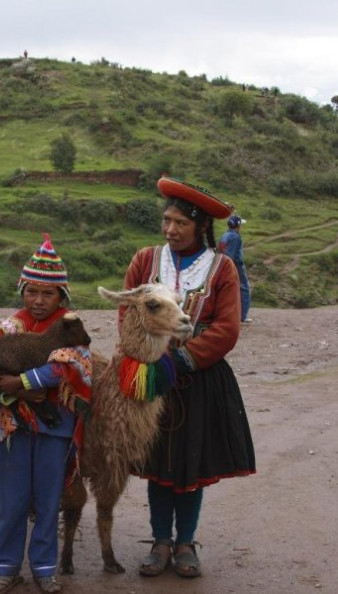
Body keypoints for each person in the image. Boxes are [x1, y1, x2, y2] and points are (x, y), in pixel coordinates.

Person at [122, 176, 255, 579]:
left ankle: (185, 543)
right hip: (150, 378)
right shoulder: (145, 261)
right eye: (167, 220)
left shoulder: (221, 269)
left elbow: (227, 328)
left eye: (180, 223)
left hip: (197, 381)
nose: (170, 230)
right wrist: (147, 359)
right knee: (158, 462)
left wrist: (182, 361)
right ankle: (160, 540)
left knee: (190, 465)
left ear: (201, 226)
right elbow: (128, 313)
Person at [0, 234, 92, 594]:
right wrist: (11, 391)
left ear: (62, 296)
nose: (39, 300)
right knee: (11, 500)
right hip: (14, 425)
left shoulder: (70, 326)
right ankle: (6, 566)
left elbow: (76, 367)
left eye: (48, 293)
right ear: (22, 291)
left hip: (56, 428)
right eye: (32, 292)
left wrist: (25, 380)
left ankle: (45, 568)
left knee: (48, 499)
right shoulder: (10, 327)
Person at [218, 215, 252, 323]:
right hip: (236, 265)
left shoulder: (225, 235)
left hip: (223, 263)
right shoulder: (235, 237)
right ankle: (242, 315)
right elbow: (231, 255)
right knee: (244, 289)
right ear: (237, 225)